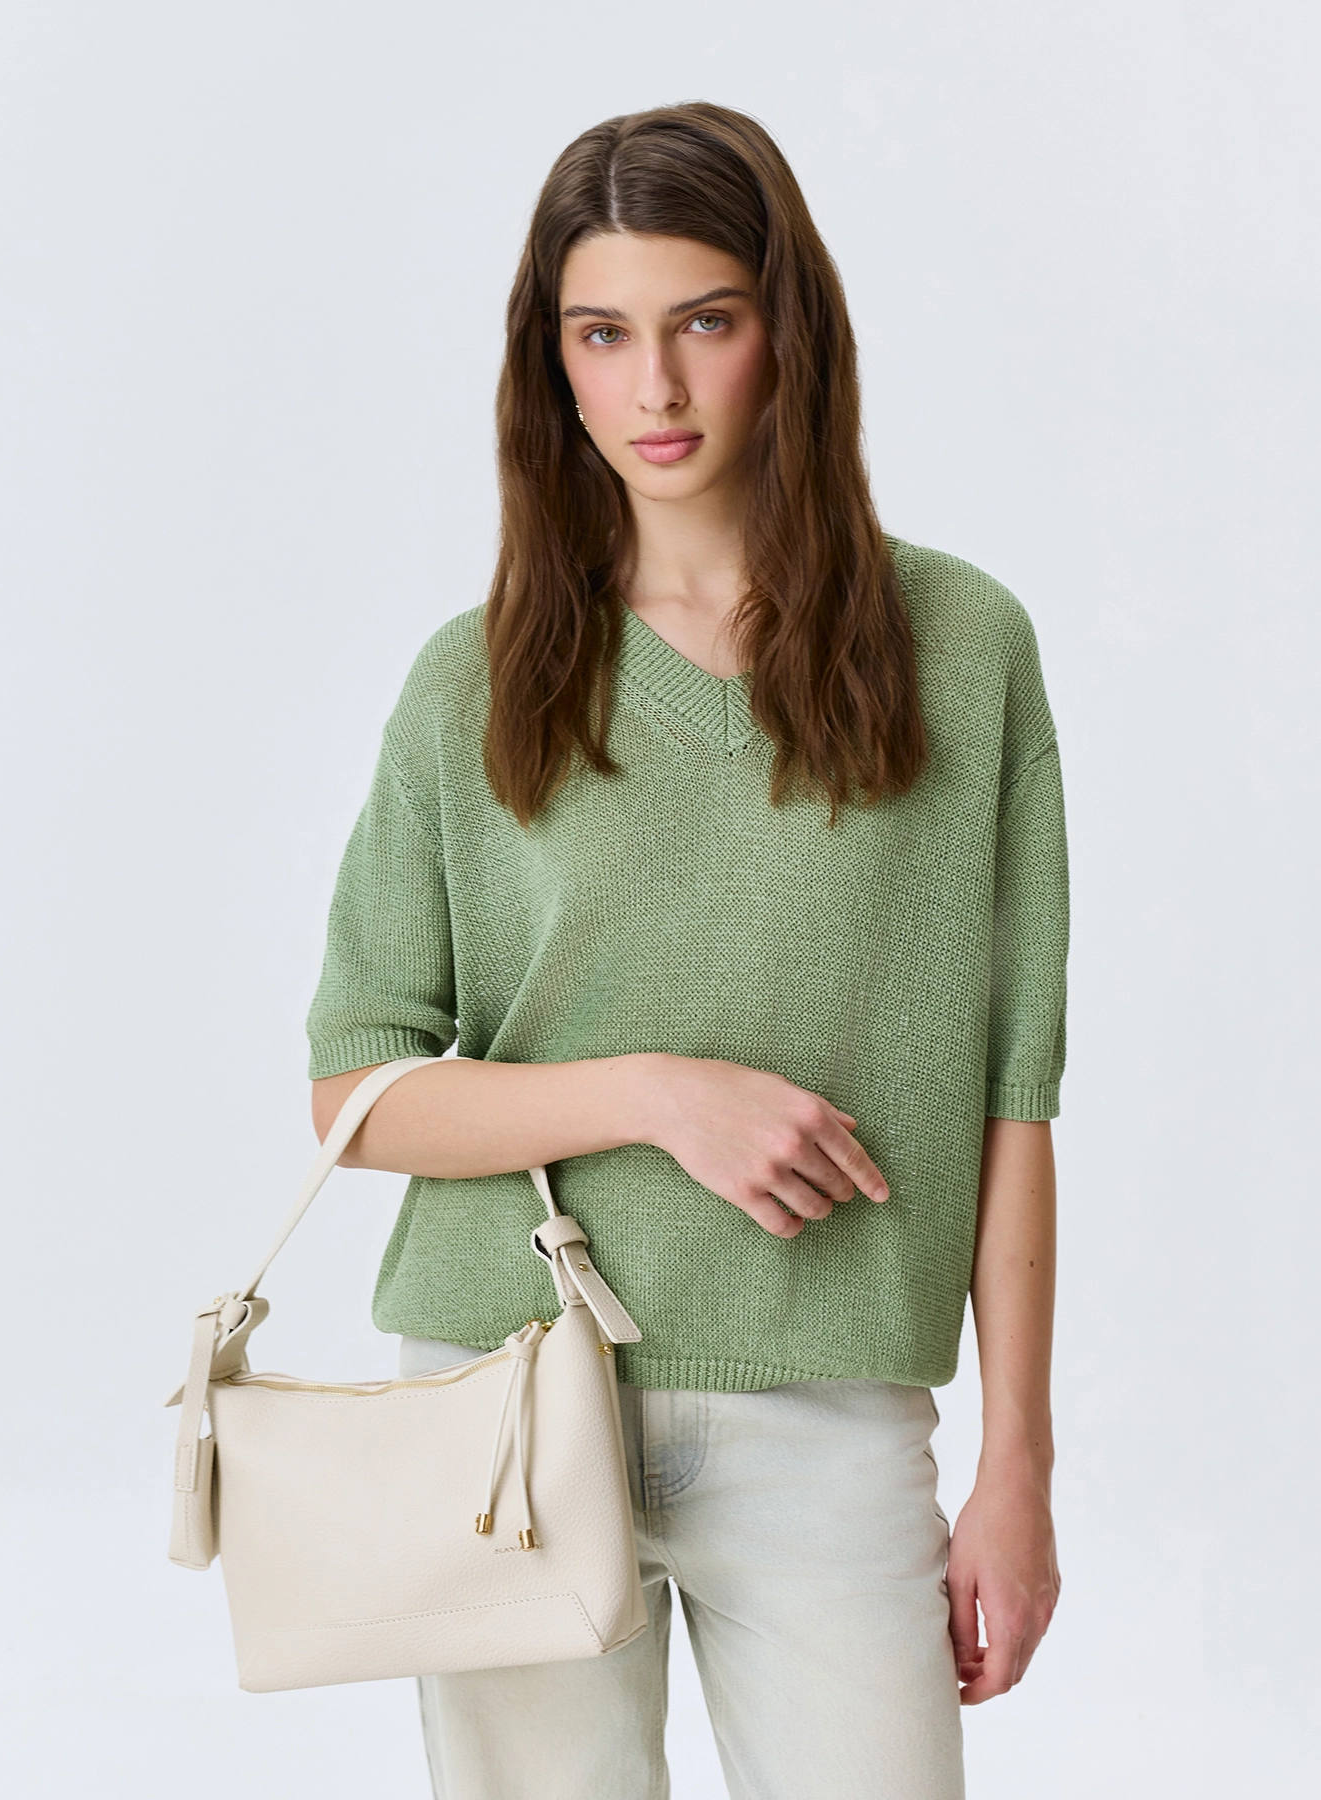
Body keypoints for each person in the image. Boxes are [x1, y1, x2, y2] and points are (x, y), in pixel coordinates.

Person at [307, 101, 1066, 1800]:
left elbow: (1014, 1091)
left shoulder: (960, 647)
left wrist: (1014, 1466)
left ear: (786, 331)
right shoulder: (473, 679)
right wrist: (658, 1095)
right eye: (601, 334)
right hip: (505, 1403)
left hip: (827, 1419)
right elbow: (353, 1094)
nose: (653, 388)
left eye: (702, 322)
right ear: (553, 365)